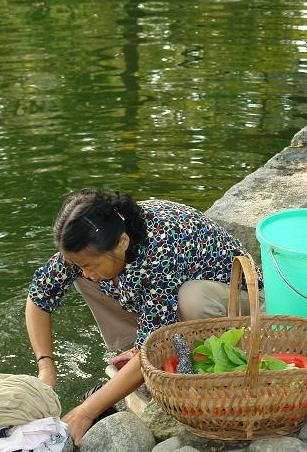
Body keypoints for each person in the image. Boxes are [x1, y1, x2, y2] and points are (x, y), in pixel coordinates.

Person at [25, 189, 260, 443]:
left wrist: (85, 412)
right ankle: (138, 345)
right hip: (167, 296)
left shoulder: (162, 248)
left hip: (238, 302)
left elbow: (154, 345)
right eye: (81, 264)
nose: (87, 271)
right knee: (84, 276)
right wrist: (46, 368)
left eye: (90, 264)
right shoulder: (95, 240)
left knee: (193, 298)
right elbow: (39, 296)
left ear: (123, 242)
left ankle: (172, 348)